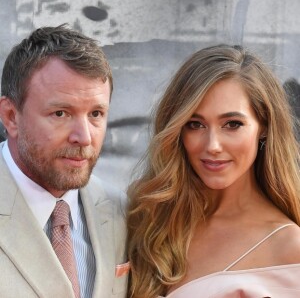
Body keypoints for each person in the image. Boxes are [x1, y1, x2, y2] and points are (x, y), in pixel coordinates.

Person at [127, 44, 300, 298]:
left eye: (232, 124)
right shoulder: (149, 221)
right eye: (195, 124)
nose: (212, 146)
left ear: (264, 126)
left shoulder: (290, 248)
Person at [0, 25, 128, 298]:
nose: (83, 137)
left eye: (96, 113)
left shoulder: (122, 212)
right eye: (60, 113)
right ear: (11, 116)